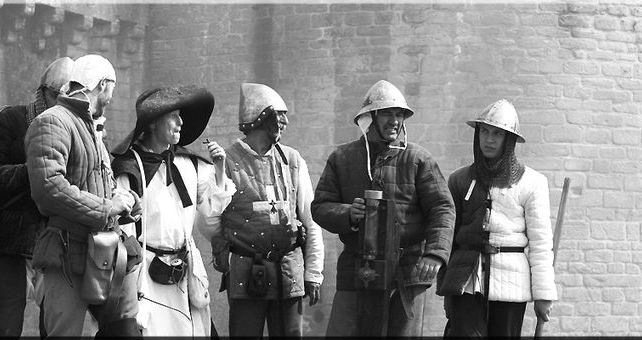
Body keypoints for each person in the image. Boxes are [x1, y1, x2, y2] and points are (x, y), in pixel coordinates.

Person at [312, 80, 455, 336]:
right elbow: (321, 206)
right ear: (370, 118)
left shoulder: (418, 159)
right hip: (356, 268)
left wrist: (434, 253)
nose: (395, 121)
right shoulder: (342, 159)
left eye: (399, 114)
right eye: (387, 113)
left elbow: (442, 208)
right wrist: (348, 214)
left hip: (408, 270)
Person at [25, 54, 143, 337]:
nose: (111, 98)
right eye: (111, 89)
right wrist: (108, 206)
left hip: (106, 253)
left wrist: (125, 201)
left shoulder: (92, 126)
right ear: (103, 84)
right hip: (67, 252)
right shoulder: (52, 121)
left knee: (125, 332)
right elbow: (49, 188)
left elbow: (99, 182)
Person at [110, 85, 234, 336]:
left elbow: (211, 213)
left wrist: (219, 170)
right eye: (173, 116)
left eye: (181, 116)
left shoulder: (190, 164)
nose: (180, 122)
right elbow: (121, 232)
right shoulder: (129, 167)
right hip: (146, 276)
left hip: (184, 274)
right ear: (154, 123)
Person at [210, 83, 324, 337]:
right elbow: (212, 220)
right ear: (262, 117)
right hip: (245, 271)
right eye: (279, 116)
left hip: (288, 270)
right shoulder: (226, 162)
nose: (284, 123)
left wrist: (314, 272)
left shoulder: (293, 160)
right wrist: (223, 253)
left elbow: (310, 218)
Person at [438, 99, 557, 337]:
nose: (489, 139)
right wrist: (446, 287)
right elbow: (448, 238)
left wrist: (543, 295)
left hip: (511, 284)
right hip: (467, 281)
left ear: (508, 140)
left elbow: (540, 243)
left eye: (497, 134)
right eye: (484, 131)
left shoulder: (532, 183)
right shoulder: (460, 180)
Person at [0, 57, 74, 337]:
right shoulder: (12, 119)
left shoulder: (78, 129)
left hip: (60, 240)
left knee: (56, 328)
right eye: (58, 96)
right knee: (4, 327)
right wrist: (32, 172)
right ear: (45, 92)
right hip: (12, 237)